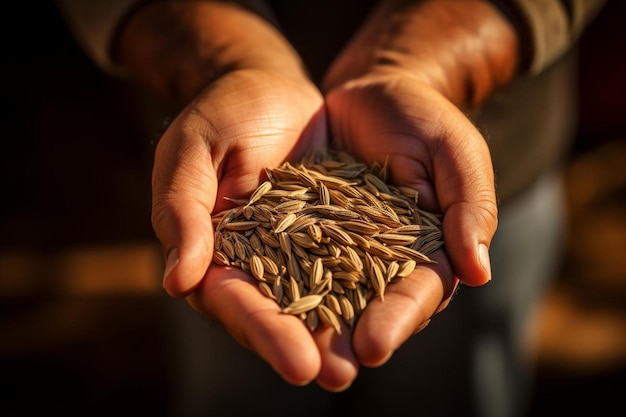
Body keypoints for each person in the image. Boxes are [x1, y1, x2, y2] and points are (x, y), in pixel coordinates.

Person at [55, 1, 607, 416]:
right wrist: (224, 55)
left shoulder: (368, 224)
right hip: (221, 177)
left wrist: (428, 57)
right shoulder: (249, 221)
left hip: (491, 161)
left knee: (459, 391)